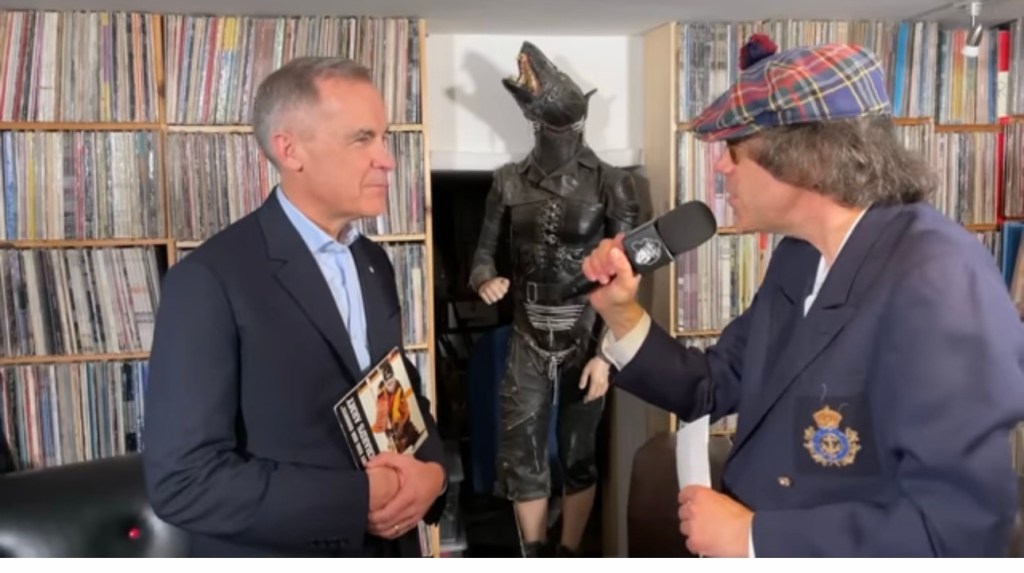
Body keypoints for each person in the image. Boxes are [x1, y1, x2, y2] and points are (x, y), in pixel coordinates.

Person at [581, 34, 1024, 557]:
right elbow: (712, 385)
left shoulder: (939, 278)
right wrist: (621, 312)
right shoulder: (800, 254)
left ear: (808, 161)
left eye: (734, 150)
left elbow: (959, 533)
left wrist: (752, 537)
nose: (721, 168)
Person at [142, 57, 447, 558]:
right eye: (362, 139)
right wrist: (359, 498)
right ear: (290, 150)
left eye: (384, 138)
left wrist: (433, 474)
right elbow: (184, 481)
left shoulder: (374, 263)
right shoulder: (208, 280)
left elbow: (397, 395)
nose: (387, 159)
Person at [469, 41, 640, 557]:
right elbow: (482, 256)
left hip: (586, 333)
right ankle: (535, 553)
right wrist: (485, 280)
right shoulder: (506, 182)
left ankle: (568, 554)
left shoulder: (613, 183)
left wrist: (606, 354)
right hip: (527, 334)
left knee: (578, 452)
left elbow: (630, 276)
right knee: (522, 454)